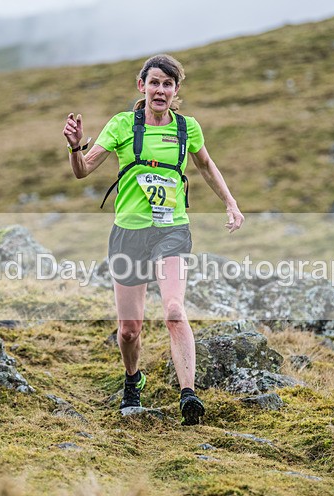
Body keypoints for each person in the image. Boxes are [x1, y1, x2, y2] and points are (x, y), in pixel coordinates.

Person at [62, 54, 244, 425]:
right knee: (129, 331)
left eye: (168, 84)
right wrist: (75, 146)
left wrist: (230, 203)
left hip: (172, 230)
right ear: (141, 86)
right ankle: (133, 380)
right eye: (154, 82)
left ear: (176, 90)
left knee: (175, 312)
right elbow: (83, 172)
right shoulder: (122, 125)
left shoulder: (187, 129)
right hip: (129, 233)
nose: (160, 90)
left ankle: (188, 394)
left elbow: (206, 166)